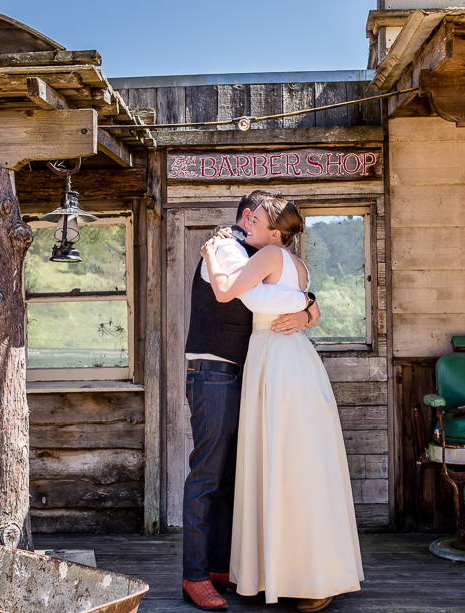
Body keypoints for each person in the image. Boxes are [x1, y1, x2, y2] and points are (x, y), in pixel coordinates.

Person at [201, 196, 363, 613]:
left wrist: (210, 252)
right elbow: (302, 301)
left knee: (282, 464)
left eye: (257, 220)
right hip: (297, 360)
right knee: (299, 465)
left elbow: (224, 291)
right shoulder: (299, 265)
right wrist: (309, 311)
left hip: (276, 360)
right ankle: (306, 573)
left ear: (276, 233)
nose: (248, 223)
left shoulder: (269, 253)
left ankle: (293, 574)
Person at [181, 190, 318, 612]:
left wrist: (310, 310)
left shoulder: (264, 254)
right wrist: (308, 305)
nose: (262, 229)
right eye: (257, 221)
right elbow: (248, 296)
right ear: (246, 219)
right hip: (213, 371)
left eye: (268, 225)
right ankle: (195, 576)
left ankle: (222, 566)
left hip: (248, 374)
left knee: (231, 477)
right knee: (207, 476)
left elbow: (284, 294)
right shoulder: (225, 246)